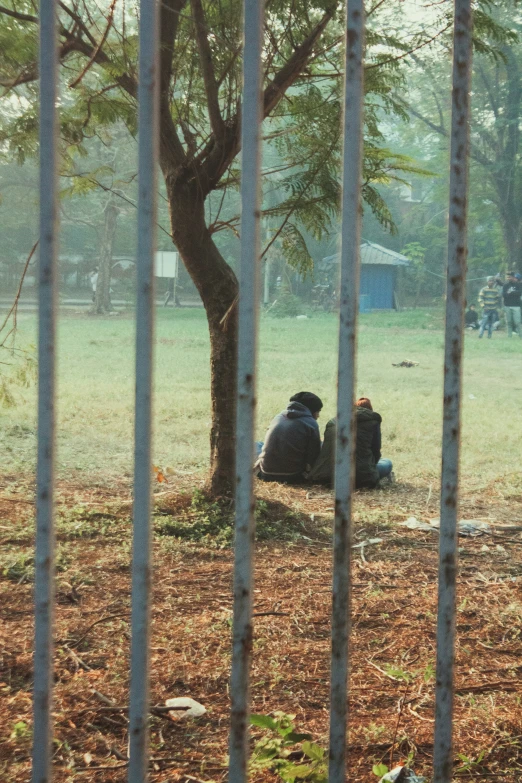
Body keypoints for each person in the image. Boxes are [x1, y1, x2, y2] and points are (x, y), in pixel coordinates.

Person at [307, 397, 393, 489]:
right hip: (360, 478)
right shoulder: (372, 421)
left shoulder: (333, 422)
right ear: (370, 410)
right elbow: (376, 451)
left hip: (327, 476)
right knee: (387, 463)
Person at [256, 392, 323, 483]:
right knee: (322, 445)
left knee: (258, 444)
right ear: (312, 410)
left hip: (265, 473)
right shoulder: (311, 423)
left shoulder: (278, 417)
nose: (318, 416)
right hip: (291, 476)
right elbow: (314, 455)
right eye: (318, 412)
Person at [502, 271, 522, 338]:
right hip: (507, 305)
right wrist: (510, 293)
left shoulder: (518, 285)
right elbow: (504, 294)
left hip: (516, 306)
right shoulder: (505, 285)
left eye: (510, 277)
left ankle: (520, 335)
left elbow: (519, 293)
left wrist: (511, 292)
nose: (508, 278)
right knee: (509, 322)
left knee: (517, 322)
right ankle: (509, 336)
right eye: (507, 277)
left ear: (513, 277)